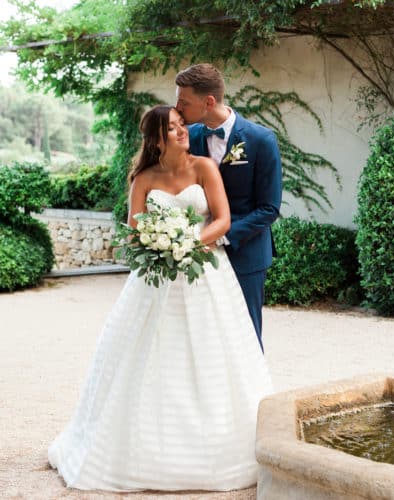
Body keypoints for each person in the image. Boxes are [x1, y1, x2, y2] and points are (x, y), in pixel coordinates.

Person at [48, 105, 273, 492]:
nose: (183, 130)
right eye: (172, 127)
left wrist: (186, 243)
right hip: (154, 278)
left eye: (182, 123)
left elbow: (222, 220)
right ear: (155, 138)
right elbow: (135, 231)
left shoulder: (204, 167)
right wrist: (157, 245)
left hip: (205, 272)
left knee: (213, 353)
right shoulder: (144, 179)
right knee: (148, 354)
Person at [175, 63, 282, 351]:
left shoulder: (261, 140)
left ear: (208, 102)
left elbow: (269, 208)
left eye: (184, 102)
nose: (177, 108)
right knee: (203, 335)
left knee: (246, 333)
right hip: (197, 257)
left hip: (245, 254)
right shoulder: (189, 138)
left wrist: (220, 235)